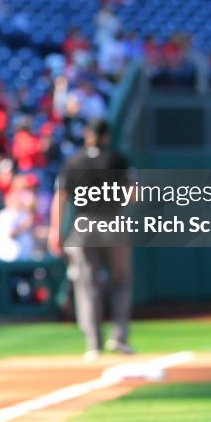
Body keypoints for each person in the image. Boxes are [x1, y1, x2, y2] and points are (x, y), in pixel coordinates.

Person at [48, 118, 134, 361]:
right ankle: (119, 337)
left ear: (87, 135)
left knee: (87, 286)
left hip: (83, 226)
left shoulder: (73, 161)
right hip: (112, 222)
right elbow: (133, 194)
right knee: (121, 281)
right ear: (106, 136)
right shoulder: (117, 159)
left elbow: (60, 198)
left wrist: (56, 231)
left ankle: (93, 344)